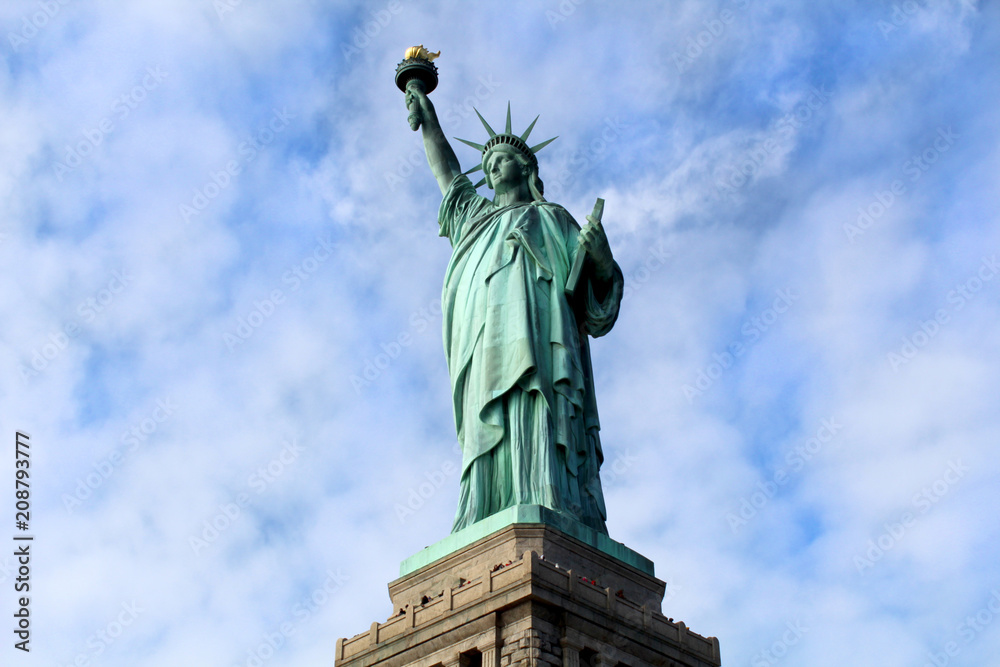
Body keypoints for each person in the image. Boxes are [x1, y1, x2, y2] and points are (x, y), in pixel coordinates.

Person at [404, 85, 624, 534]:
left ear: (525, 167)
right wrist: (429, 121)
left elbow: (597, 305)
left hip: (544, 344)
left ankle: (548, 495)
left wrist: (601, 259)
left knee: (538, 406)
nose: (491, 170)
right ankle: (486, 507)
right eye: (485, 166)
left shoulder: (554, 219)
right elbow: (447, 175)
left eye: (500, 160)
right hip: (486, 344)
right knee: (492, 415)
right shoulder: (474, 219)